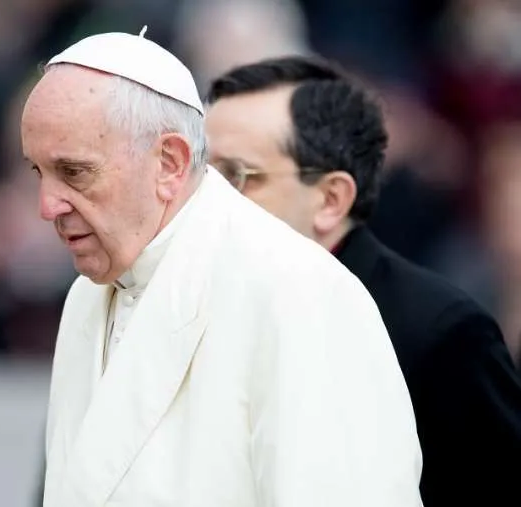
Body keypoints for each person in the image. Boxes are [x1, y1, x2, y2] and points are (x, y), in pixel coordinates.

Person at [22, 30, 423, 507]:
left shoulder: (299, 291)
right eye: (38, 172)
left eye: (74, 172)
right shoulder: (87, 292)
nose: (47, 206)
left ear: (169, 163)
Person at [204, 55, 521, 507]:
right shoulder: (193, 304)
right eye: (199, 174)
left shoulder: (439, 333)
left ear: (330, 199)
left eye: (236, 176)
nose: (205, 199)